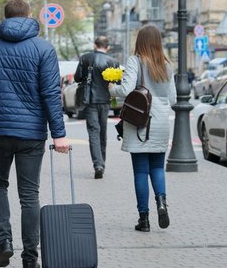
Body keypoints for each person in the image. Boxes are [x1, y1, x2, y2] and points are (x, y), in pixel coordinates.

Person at [0, 0, 70, 268]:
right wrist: (59, 135)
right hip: (31, 133)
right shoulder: (44, 48)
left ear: (5, 17)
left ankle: (4, 241)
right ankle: (30, 258)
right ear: (28, 16)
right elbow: (51, 93)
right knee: (29, 195)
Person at [108, 24, 176, 232]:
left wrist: (112, 89)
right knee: (157, 167)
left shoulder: (135, 61)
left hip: (141, 122)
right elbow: (172, 98)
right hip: (162, 119)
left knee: (140, 171)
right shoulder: (167, 64)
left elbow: (127, 89)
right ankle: (162, 203)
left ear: (140, 41)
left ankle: (144, 219)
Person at [74, 36, 119, 179]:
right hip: (105, 101)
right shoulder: (113, 61)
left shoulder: (85, 58)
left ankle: (97, 164)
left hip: (90, 100)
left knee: (93, 132)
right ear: (108, 47)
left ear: (95, 45)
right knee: (102, 132)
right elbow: (117, 81)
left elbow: (77, 78)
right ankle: (102, 163)